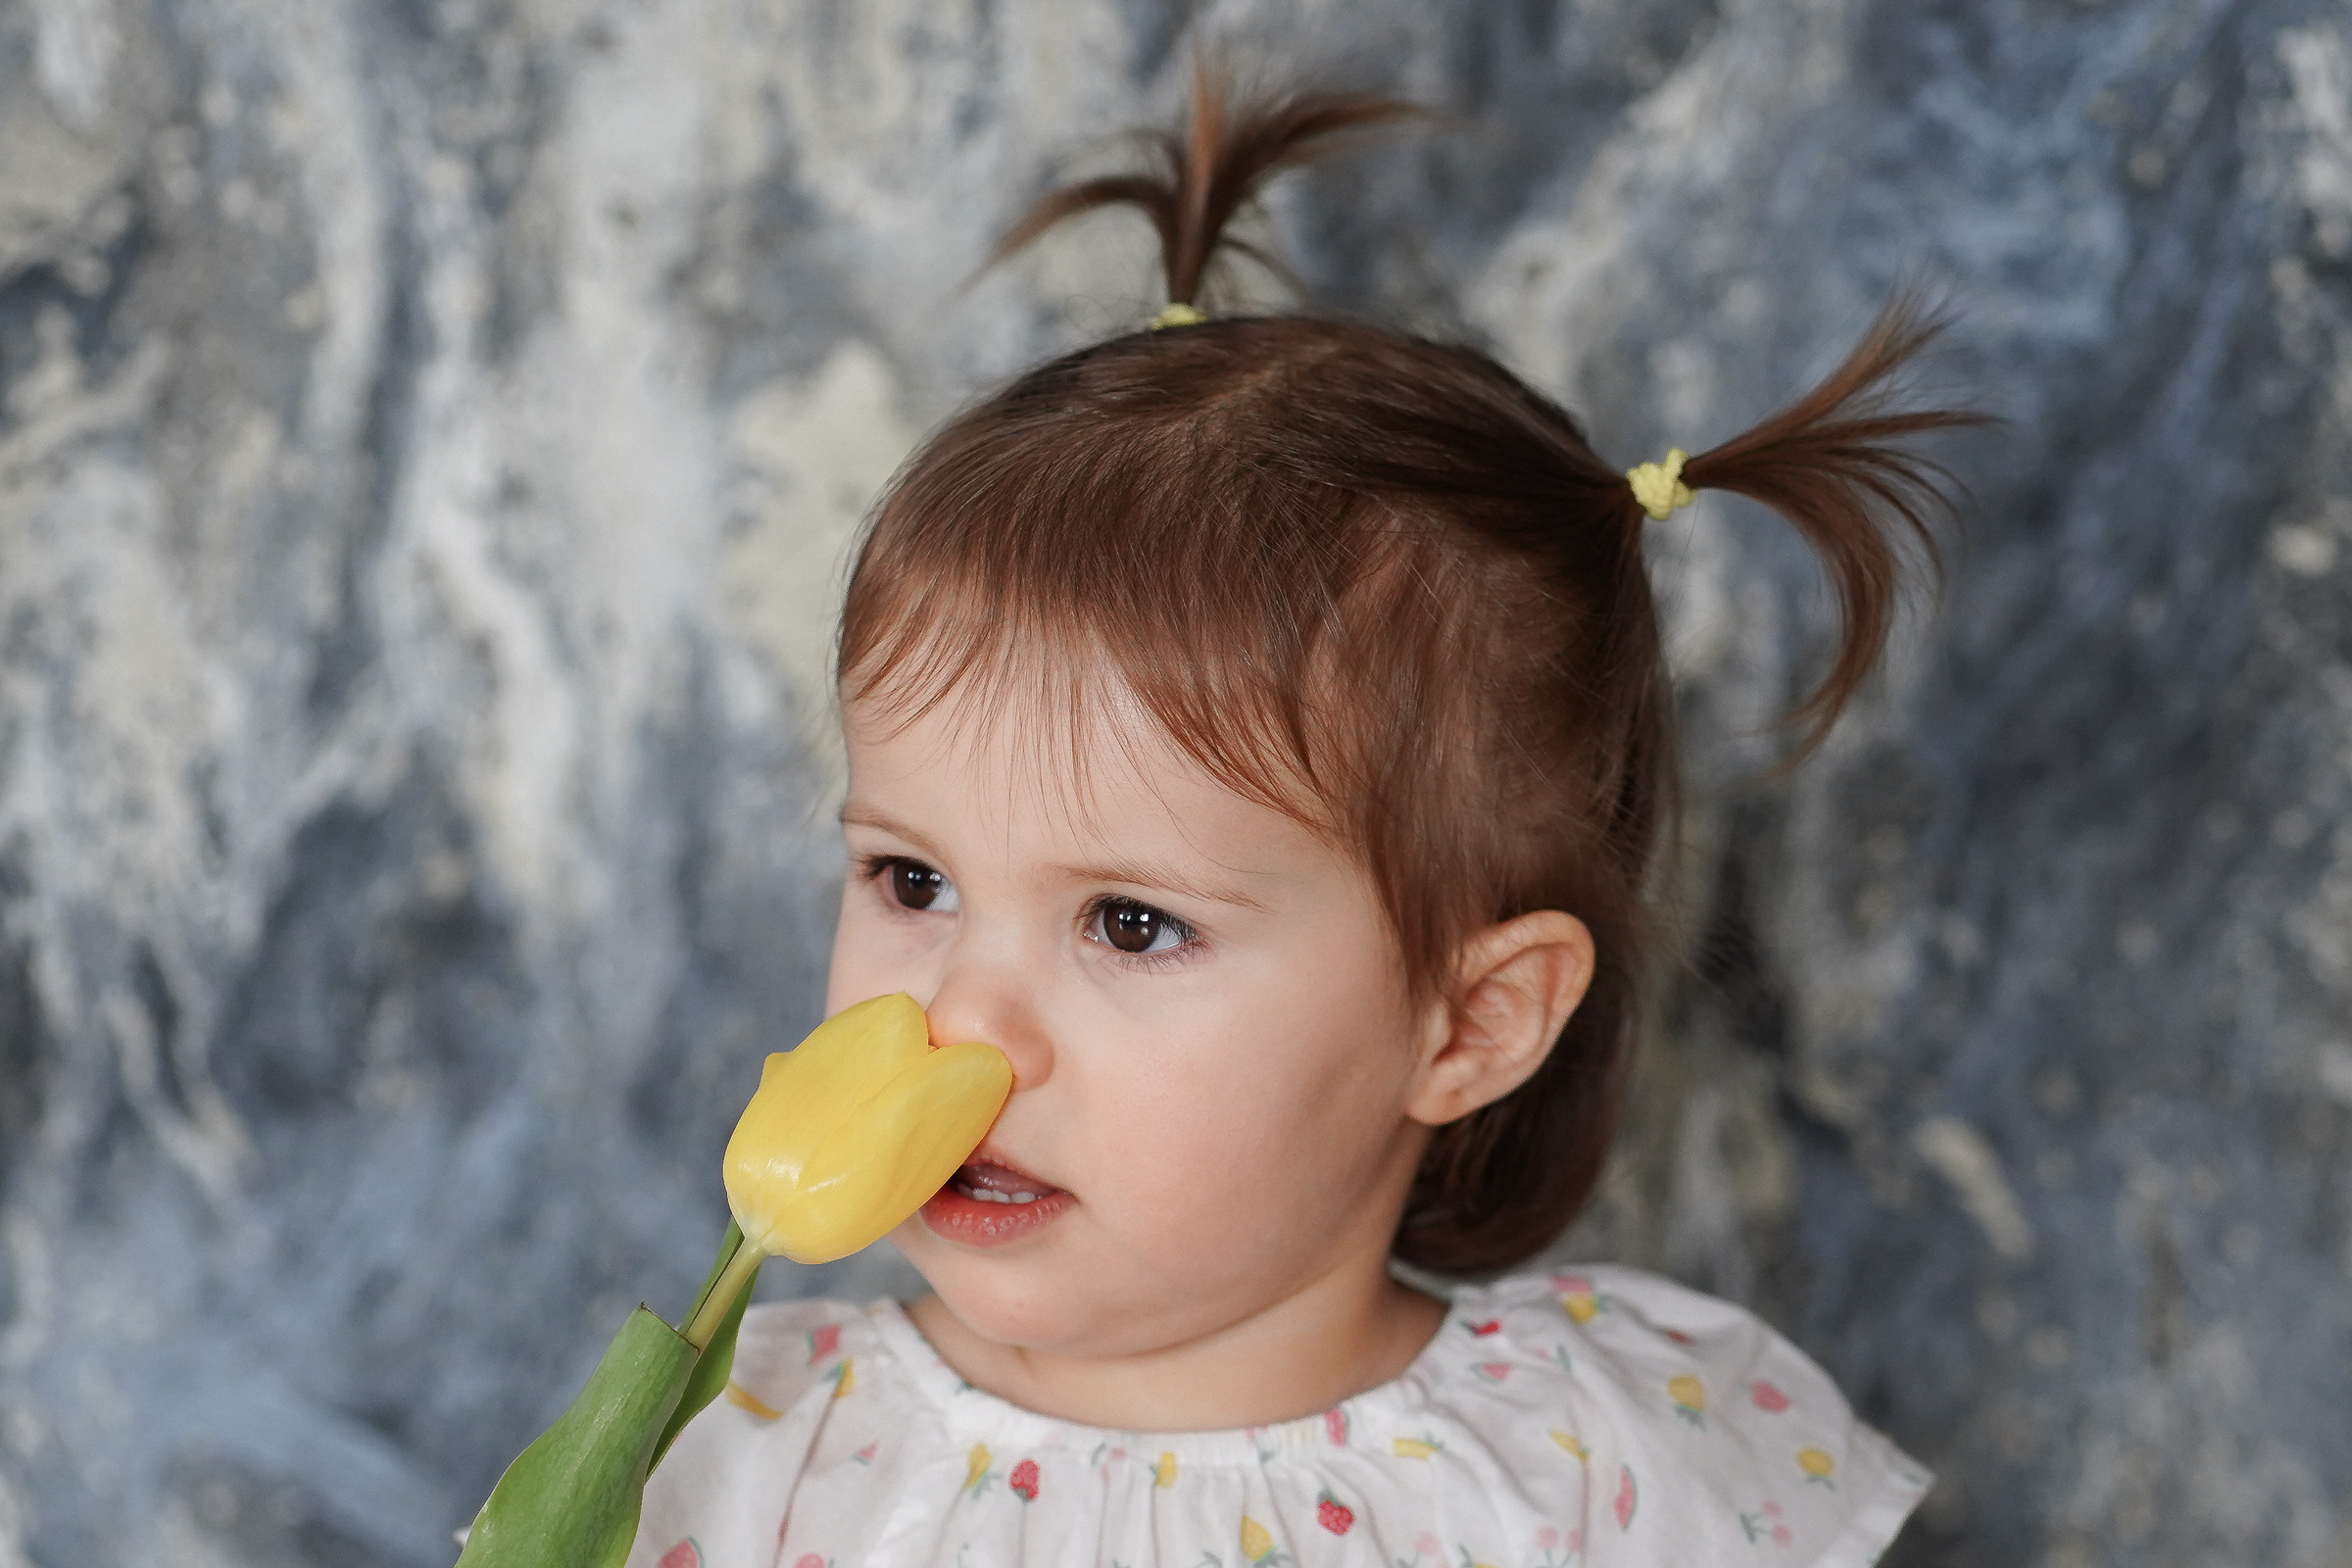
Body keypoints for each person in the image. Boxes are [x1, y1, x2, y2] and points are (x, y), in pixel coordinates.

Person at [627, 65, 1978, 1568]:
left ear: (1468, 1023)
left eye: (1131, 923)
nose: (963, 1022)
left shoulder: (1606, 1471)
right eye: (912, 879)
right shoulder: (735, 1458)